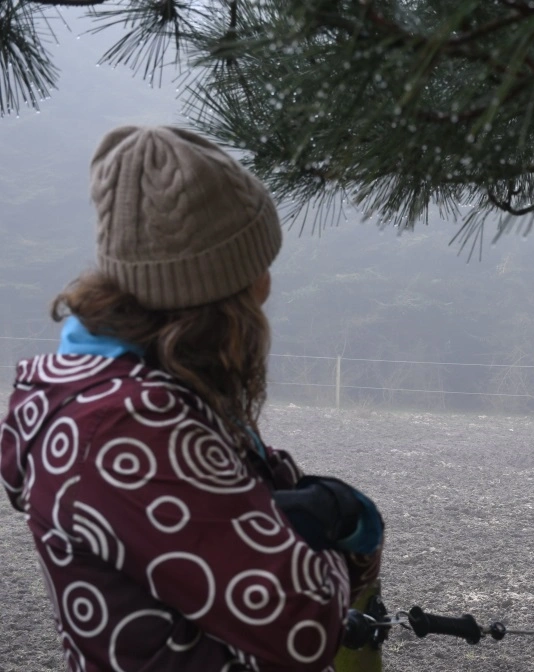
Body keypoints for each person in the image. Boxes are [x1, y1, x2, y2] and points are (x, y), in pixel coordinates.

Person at [0, 126, 384, 671]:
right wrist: (338, 530)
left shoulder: (102, 387)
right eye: (256, 267)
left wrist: (264, 513)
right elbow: (303, 625)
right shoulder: (125, 426)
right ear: (212, 292)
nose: (267, 285)